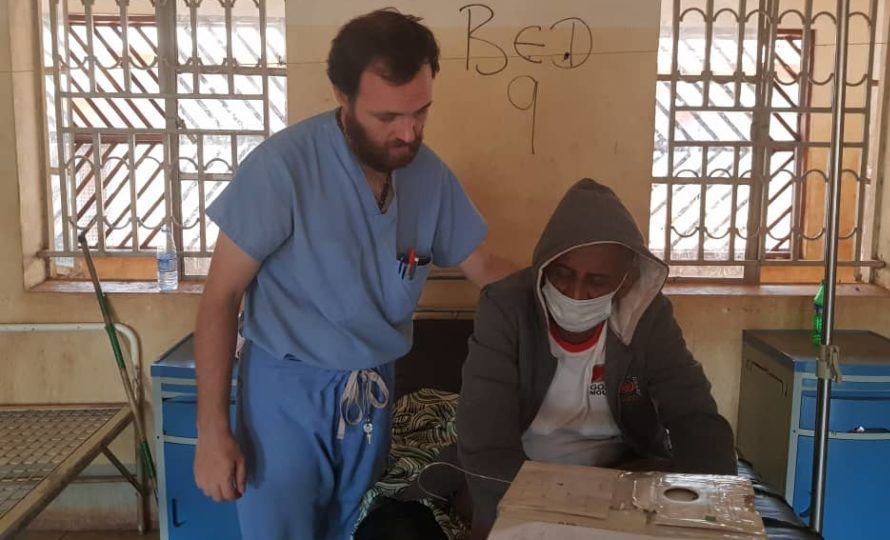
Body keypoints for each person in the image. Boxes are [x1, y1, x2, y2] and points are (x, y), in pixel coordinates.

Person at [193, 10, 515, 539]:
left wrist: (571, 289)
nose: (408, 133)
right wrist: (213, 431)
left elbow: (486, 268)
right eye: (387, 116)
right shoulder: (283, 169)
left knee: (358, 530)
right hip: (286, 400)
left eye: (421, 112)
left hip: (372, 394)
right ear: (342, 97)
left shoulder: (428, 176)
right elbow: (219, 298)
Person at [457, 178, 736, 537]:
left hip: (622, 476)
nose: (575, 292)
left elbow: (693, 414)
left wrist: (712, 510)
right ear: (545, 264)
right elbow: (485, 436)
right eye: (562, 274)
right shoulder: (506, 307)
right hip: (523, 474)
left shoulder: (647, 316)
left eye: (597, 281)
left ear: (626, 279)